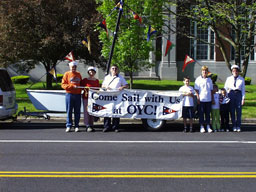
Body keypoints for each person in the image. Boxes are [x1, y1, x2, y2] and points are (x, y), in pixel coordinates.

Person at [101, 64, 129, 132]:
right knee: (107, 111)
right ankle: (106, 126)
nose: (114, 70)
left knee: (116, 111)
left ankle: (115, 127)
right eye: (113, 68)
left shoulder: (120, 77)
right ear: (110, 70)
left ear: (117, 70)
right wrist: (106, 87)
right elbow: (103, 85)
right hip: (108, 97)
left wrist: (122, 87)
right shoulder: (107, 77)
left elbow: (127, 85)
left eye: (116, 69)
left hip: (117, 97)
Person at [61, 61, 82, 133]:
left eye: (75, 67)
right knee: (69, 110)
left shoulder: (79, 74)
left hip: (78, 95)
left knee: (77, 111)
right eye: (72, 67)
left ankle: (77, 125)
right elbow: (63, 85)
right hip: (69, 94)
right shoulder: (66, 74)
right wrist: (72, 86)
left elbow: (81, 83)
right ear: (70, 67)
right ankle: (69, 125)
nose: (74, 68)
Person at [224, 65, 245, 132]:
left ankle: (238, 125)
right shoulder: (229, 78)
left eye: (236, 71)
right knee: (232, 111)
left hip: (238, 94)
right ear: (232, 72)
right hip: (231, 94)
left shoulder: (241, 79)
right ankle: (234, 125)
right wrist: (226, 96)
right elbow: (225, 88)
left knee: (238, 111)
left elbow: (243, 90)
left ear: (238, 72)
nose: (235, 72)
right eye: (233, 71)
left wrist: (243, 99)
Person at [194, 65, 214, 133]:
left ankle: (208, 125)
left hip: (208, 99)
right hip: (201, 99)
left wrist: (212, 99)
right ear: (201, 71)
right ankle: (202, 126)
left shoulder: (209, 80)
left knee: (208, 113)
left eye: (205, 71)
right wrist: (198, 97)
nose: (204, 72)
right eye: (203, 71)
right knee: (201, 113)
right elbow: (196, 90)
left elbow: (211, 90)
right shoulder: (198, 79)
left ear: (207, 72)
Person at [81, 66, 100, 132]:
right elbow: (80, 86)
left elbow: (98, 89)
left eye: (92, 71)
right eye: (90, 71)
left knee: (92, 111)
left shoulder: (97, 80)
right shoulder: (85, 80)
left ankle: (91, 124)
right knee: (87, 111)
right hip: (86, 97)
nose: (91, 72)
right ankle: (87, 125)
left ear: (95, 72)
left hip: (93, 98)